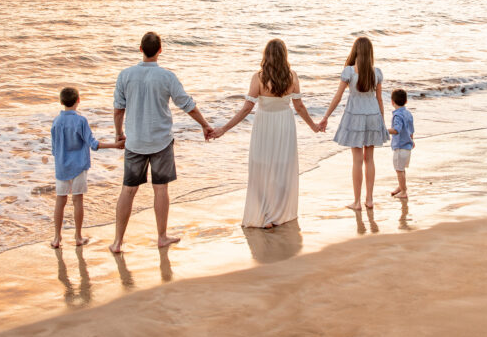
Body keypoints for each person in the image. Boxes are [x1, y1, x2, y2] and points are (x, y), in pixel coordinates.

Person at [109, 32, 214, 252]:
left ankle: (118, 241)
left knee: (128, 190)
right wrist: (204, 125)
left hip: (135, 141)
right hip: (161, 141)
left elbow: (119, 109)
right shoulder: (167, 77)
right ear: (160, 50)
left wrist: (119, 134)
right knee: (160, 189)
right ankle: (162, 237)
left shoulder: (125, 75)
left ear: (140, 49)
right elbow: (188, 105)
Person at [211, 39, 322, 228]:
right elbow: (300, 106)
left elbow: (246, 109)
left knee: (261, 167)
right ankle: (277, 214)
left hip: (264, 125)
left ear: (266, 55)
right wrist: (313, 125)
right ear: (284, 55)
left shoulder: (259, 77)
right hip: (284, 124)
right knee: (282, 168)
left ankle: (265, 213)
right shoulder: (292, 76)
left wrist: (224, 129)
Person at [318, 36, 388, 210]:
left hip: (355, 117)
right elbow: (380, 100)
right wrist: (382, 120)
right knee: (369, 159)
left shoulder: (349, 71)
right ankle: (369, 200)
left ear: (355, 51)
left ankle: (357, 202)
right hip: (373, 115)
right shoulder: (376, 72)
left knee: (357, 160)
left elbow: (338, 96)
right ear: (370, 53)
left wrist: (326, 116)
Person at [49, 86, 123, 248]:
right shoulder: (80, 120)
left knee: (60, 201)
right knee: (77, 200)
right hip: (79, 166)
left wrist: (61, 159)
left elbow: (54, 149)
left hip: (61, 167)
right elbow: (93, 144)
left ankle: (56, 237)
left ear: (61, 101)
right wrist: (115, 145)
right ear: (78, 100)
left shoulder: (56, 121)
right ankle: (78, 236)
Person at [387, 88, 415, 199]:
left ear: (392, 102)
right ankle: (401, 186)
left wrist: (384, 130)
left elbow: (396, 130)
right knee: (402, 169)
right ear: (406, 101)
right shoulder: (408, 114)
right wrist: (412, 139)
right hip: (407, 145)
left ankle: (403, 191)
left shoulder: (397, 115)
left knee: (399, 170)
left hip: (400, 146)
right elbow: (411, 129)